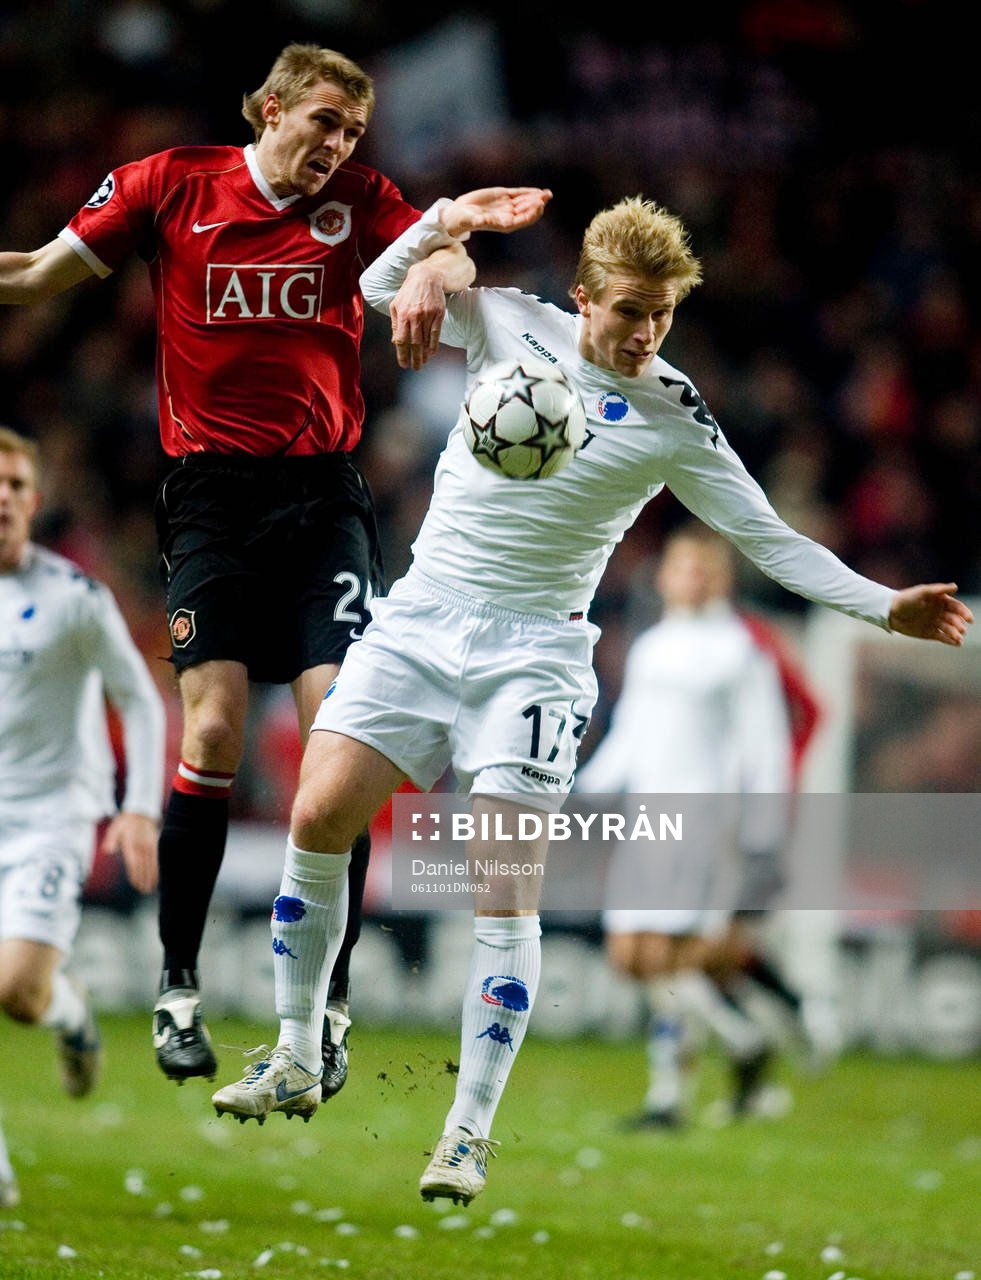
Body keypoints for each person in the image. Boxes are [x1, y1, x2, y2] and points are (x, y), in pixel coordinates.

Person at [208, 188, 972, 1207]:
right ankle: (299, 1049)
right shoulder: (512, 321)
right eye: (625, 309)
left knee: (500, 883)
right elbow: (372, 288)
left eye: (661, 313)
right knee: (317, 808)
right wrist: (441, 238)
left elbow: (768, 538)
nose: (643, 330)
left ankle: (467, 1131)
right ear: (582, 296)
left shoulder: (674, 412)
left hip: (537, 657)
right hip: (423, 615)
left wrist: (884, 606)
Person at [0, 42, 486, 1091]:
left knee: (340, 743)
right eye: (322, 121)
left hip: (322, 502)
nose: (337, 146)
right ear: (268, 107)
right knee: (213, 727)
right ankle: (178, 986)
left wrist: (440, 267)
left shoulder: (361, 198)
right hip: (211, 499)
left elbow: (444, 250)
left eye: (351, 131)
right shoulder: (172, 184)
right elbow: (37, 274)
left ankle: (332, 1001)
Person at [576, 521, 807, 1128]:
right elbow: (631, 735)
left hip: (704, 817)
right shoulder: (653, 645)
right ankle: (742, 1042)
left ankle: (667, 1099)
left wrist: (762, 829)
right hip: (645, 817)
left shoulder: (738, 651)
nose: (693, 578)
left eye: (705, 568)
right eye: (683, 566)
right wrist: (584, 791)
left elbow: (766, 745)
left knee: (670, 956)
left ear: (721, 578)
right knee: (632, 957)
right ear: (666, 575)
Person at [0, 427, 165, 1208]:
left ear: (35, 500)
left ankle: (70, 1014)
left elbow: (139, 698)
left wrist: (138, 809)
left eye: (16, 484)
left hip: (51, 816)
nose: (3, 497)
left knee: (17, 993)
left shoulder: (74, 597)